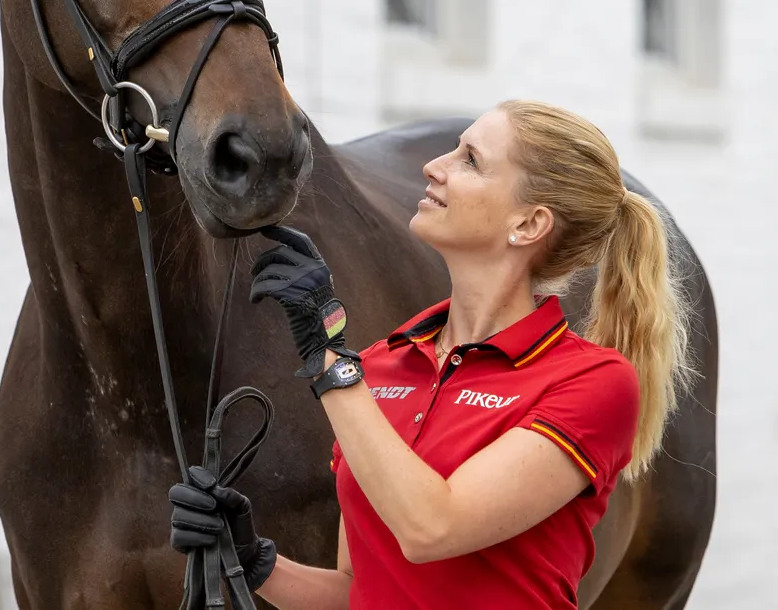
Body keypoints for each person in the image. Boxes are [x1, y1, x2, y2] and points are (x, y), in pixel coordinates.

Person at [168, 100, 692, 609]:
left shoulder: (592, 381)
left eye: (470, 160)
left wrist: (326, 354)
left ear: (529, 225)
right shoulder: (376, 366)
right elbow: (358, 592)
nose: (434, 166)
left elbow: (432, 527)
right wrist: (253, 560)